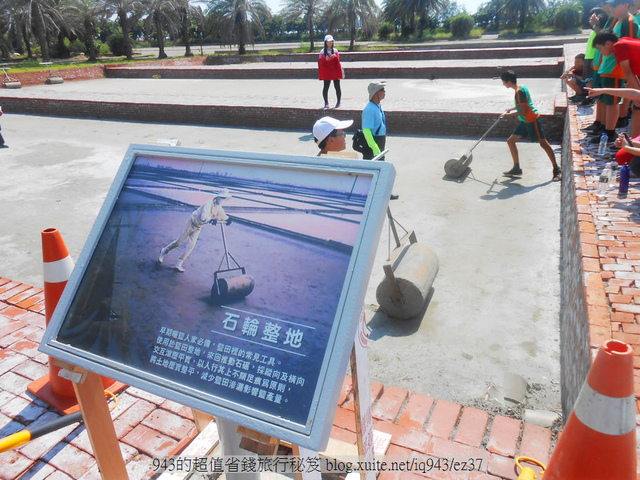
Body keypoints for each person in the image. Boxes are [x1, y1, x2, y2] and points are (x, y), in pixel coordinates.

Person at [500, 70, 562, 181]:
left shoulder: (520, 92)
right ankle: (516, 168)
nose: (503, 84)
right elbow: (523, 105)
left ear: (509, 82)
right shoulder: (521, 87)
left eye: (503, 82)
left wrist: (507, 116)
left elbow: (523, 111)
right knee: (510, 141)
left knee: (543, 143)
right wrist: (511, 109)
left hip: (532, 120)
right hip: (524, 121)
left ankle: (556, 168)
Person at [159, 189, 232, 272]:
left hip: (198, 227)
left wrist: (228, 219)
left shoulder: (218, 207)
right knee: (178, 242)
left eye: (224, 198)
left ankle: (178, 264)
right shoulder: (208, 203)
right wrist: (211, 220)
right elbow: (203, 216)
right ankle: (164, 250)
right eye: (222, 198)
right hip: (191, 222)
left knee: (191, 246)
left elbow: (221, 215)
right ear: (218, 197)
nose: (222, 200)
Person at [318, 35, 343, 109]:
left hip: (334, 71)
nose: (330, 43)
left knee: (337, 87)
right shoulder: (322, 51)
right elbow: (320, 63)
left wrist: (335, 57)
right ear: (325, 42)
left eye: (331, 41)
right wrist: (324, 59)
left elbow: (338, 61)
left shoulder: (335, 50)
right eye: (328, 42)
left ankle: (338, 102)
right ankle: (326, 102)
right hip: (327, 72)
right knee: (326, 87)